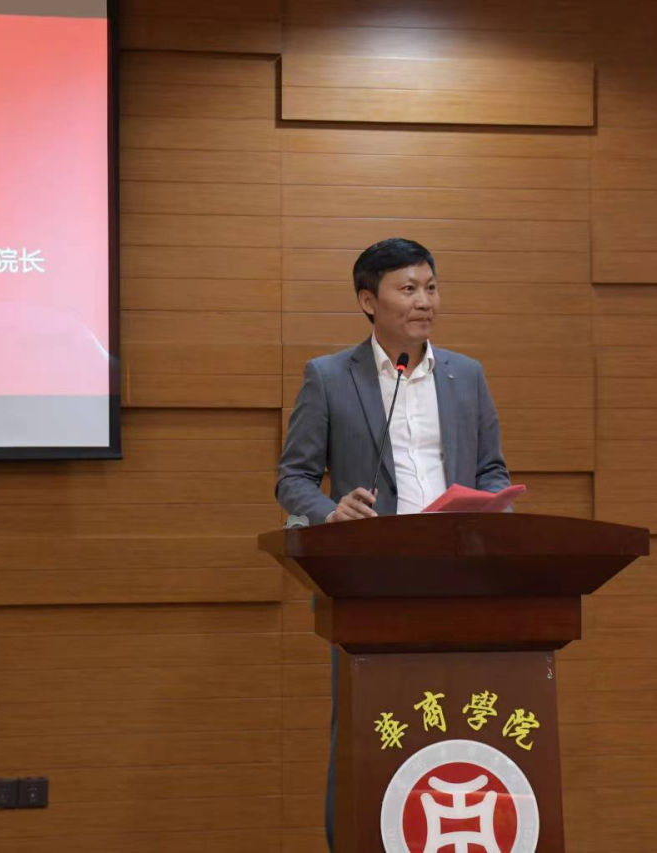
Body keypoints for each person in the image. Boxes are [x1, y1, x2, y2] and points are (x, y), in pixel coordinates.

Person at [274, 237, 511, 849]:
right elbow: (293, 478)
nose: (424, 301)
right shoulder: (329, 377)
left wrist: (491, 503)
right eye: (408, 289)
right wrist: (331, 513)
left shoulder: (466, 375)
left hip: (458, 578)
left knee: (459, 720)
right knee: (366, 725)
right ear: (367, 300)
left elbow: (492, 469)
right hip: (369, 583)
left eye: (431, 287)